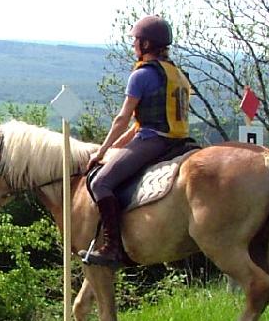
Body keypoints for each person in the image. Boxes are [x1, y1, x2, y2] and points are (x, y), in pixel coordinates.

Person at [80, 15, 192, 267]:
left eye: (136, 41)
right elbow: (140, 124)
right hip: (180, 141)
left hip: (155, 142)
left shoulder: (142, 75)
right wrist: (117, 146)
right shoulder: (177, 73)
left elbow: (123, 118)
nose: (133, 46)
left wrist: (102, 151)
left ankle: (112, 248)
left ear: (147, 44)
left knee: (101, 183)